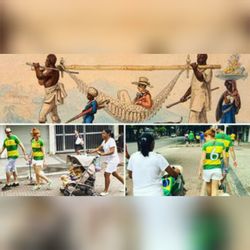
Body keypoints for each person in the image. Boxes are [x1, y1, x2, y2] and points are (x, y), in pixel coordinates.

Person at [88, 129, 124, 196]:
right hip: (109, 160)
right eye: (102, 133)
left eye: (103, 133)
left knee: (106, 174)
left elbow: (112, 151)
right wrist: (91, 151)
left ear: (108, 134)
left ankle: (106, 191)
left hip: (114, 160)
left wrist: (103, 154)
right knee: (115, 174)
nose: (102, 134)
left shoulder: (111, 141)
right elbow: (98, 148)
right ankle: (125, 185)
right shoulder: (104, 141)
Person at [33, 54, 67, 123]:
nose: (45, 62)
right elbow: (43, 77)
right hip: (52, 95)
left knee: (42, 116)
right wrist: (41, 69)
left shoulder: (51, 70)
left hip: (51, 97)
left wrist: (36, 68)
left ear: (49, 61)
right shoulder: (52, 69)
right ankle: (57, 123)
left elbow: (40, 76)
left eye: (46, 60)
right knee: (54, 115)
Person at [180, 54, 212, 123]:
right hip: (195, 98)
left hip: (201, 98)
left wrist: (194, 69)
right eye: (198, 58)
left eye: (202, 58)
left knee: (193, 118)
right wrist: (184, 96)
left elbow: (200, 78)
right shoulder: (197, 69)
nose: (199, 59)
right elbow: (193, 86)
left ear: (206, 59)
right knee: (202, 120)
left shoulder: (208, 69)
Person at [198, 129, 226, 196]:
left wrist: (199, 170)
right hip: (217, 169)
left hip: (207, 169)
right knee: (214, 190)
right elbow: (224, 158)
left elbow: (202, 159)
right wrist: (225, 169)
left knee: (208, 188)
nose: (205, 138)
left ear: (209, 136)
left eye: (206, 136)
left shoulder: (205, 145)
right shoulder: (222, 144)